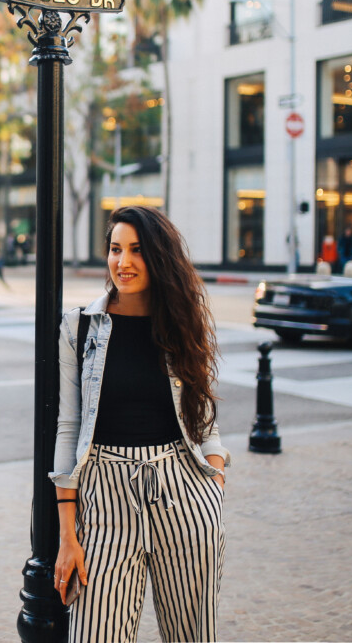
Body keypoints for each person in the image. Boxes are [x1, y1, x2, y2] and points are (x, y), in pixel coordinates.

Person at [52, 205, 229, 643]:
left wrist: (216, 478)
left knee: (192, 636)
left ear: (158, 257)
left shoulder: (183, 324)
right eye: (115, 249)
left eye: (135, 250)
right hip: (106, 497)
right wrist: (68, 535)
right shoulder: (80, 327)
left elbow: (202, 415)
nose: (122, 262)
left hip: (183, 493)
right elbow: (68, 425)